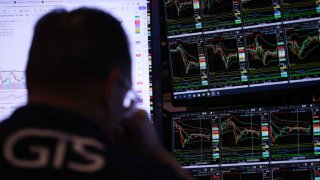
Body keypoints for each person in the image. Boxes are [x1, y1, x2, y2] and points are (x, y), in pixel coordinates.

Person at [0, 8, 193, 179]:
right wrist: (158, 155)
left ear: (30, 77)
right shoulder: (130, 170)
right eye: (127, 96)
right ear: (110, 87)